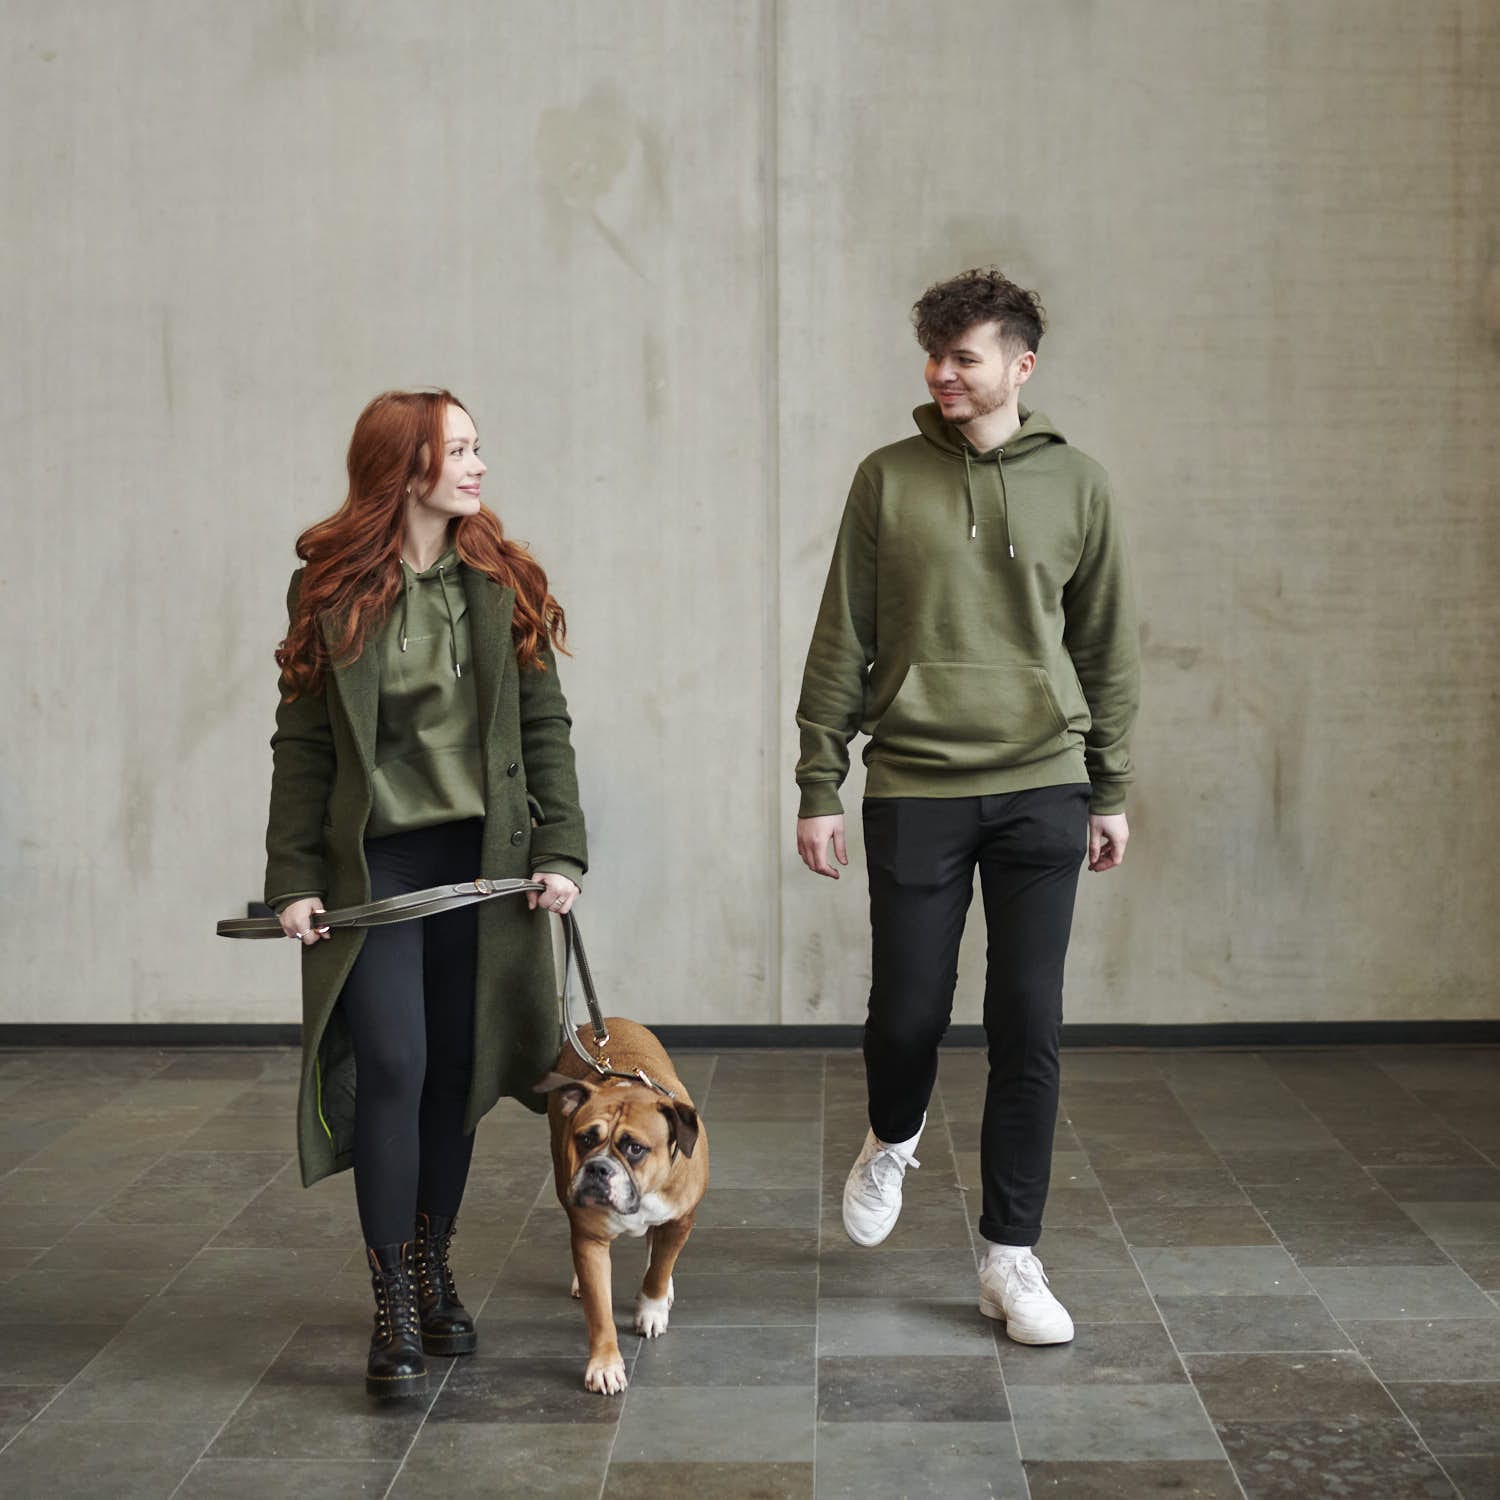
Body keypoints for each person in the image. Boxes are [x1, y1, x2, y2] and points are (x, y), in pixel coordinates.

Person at [794, 269, 1139, 1345]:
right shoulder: (886, 478)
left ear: (1020, 367)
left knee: (1029, 1023)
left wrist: (1112, 786)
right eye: (934, 356)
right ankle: (892, 1134)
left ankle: (1009, 1257)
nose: (941, 374)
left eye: (964, 357)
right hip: (915, 779)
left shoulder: (1079, 485)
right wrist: (818, 781)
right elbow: (842, 635)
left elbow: (1106, 646)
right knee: (907, 1013)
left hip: (1044, 779)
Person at [264, 389, 587, 1397]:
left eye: (478, 447)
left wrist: (561, 850)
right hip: (378, 867)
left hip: (485, 860)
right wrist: (294, 878)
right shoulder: (329, 589)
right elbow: (303, 745)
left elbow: (544, 728)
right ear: (405, 470)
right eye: (460, 450)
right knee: (394, 1065)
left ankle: (433, 1263)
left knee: (455, 1068)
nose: (479, 465)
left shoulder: (502, 582)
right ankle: (394, 1298)